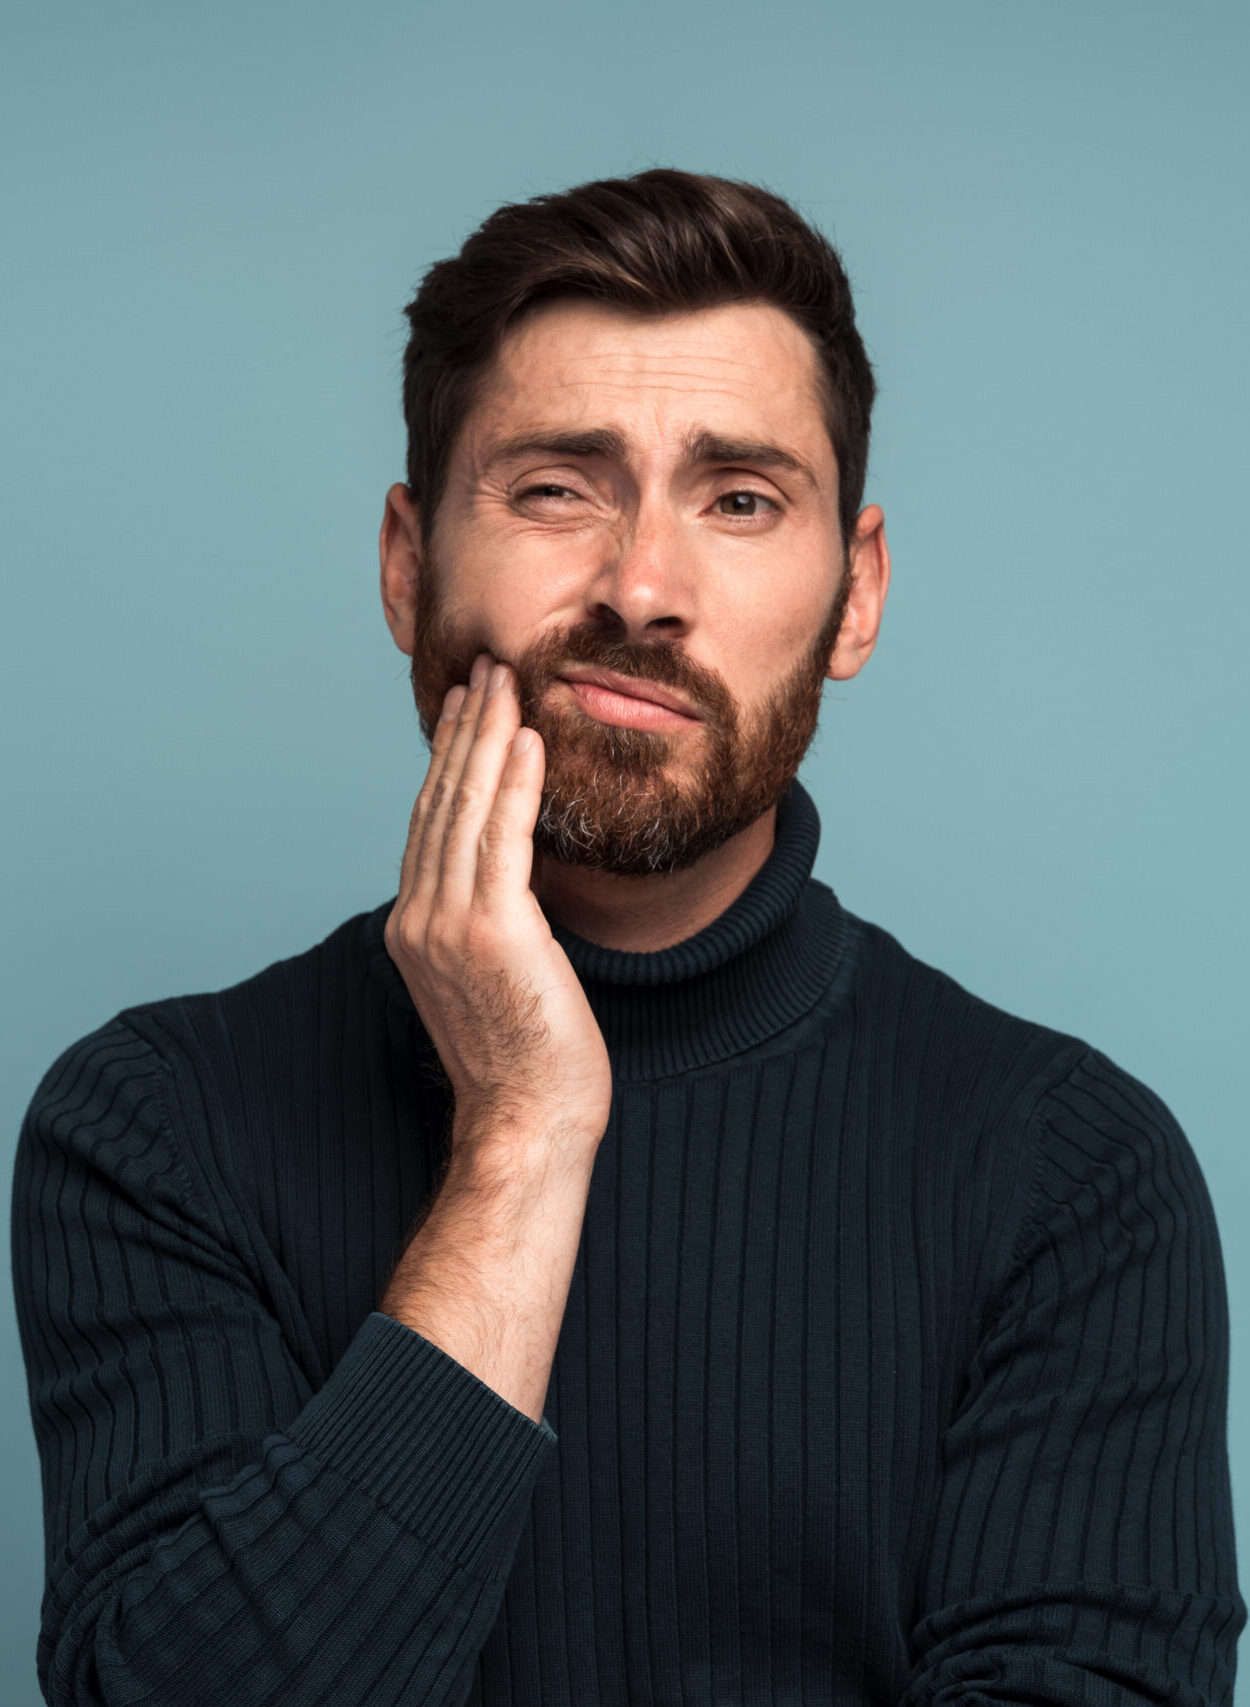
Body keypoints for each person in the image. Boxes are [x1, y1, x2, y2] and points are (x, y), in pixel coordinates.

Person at [12, 168, 1242, 1707]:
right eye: (556, 488)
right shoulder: (153, 1127)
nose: (642, 589)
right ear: (408, 566)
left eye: (739, 499)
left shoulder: (1071, 1177)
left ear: (852, 597)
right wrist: (524, 1134)